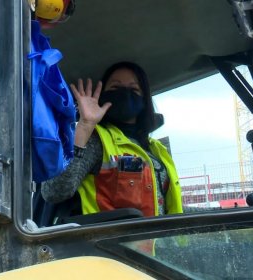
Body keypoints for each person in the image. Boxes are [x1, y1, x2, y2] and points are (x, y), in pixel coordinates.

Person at [41, 61, 183, 217]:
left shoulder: (157, 150)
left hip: (162, 240)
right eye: (115, 87)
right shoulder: (96, 140)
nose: (125, 93)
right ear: (103, 96)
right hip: (107, 241)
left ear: (144, 100)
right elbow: (53, 192)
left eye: (134, 89)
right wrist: (85, 125)